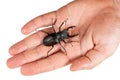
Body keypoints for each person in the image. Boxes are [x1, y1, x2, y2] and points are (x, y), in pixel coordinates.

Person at [7, 0, 120, 75]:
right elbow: (60, 31)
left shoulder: (60, 37)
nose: (65, 34)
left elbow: (60, 31)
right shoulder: (60, 38)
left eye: (65, 34)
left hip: (52, 39)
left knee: (53, 40)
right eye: (65, 33)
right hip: (51, 39)